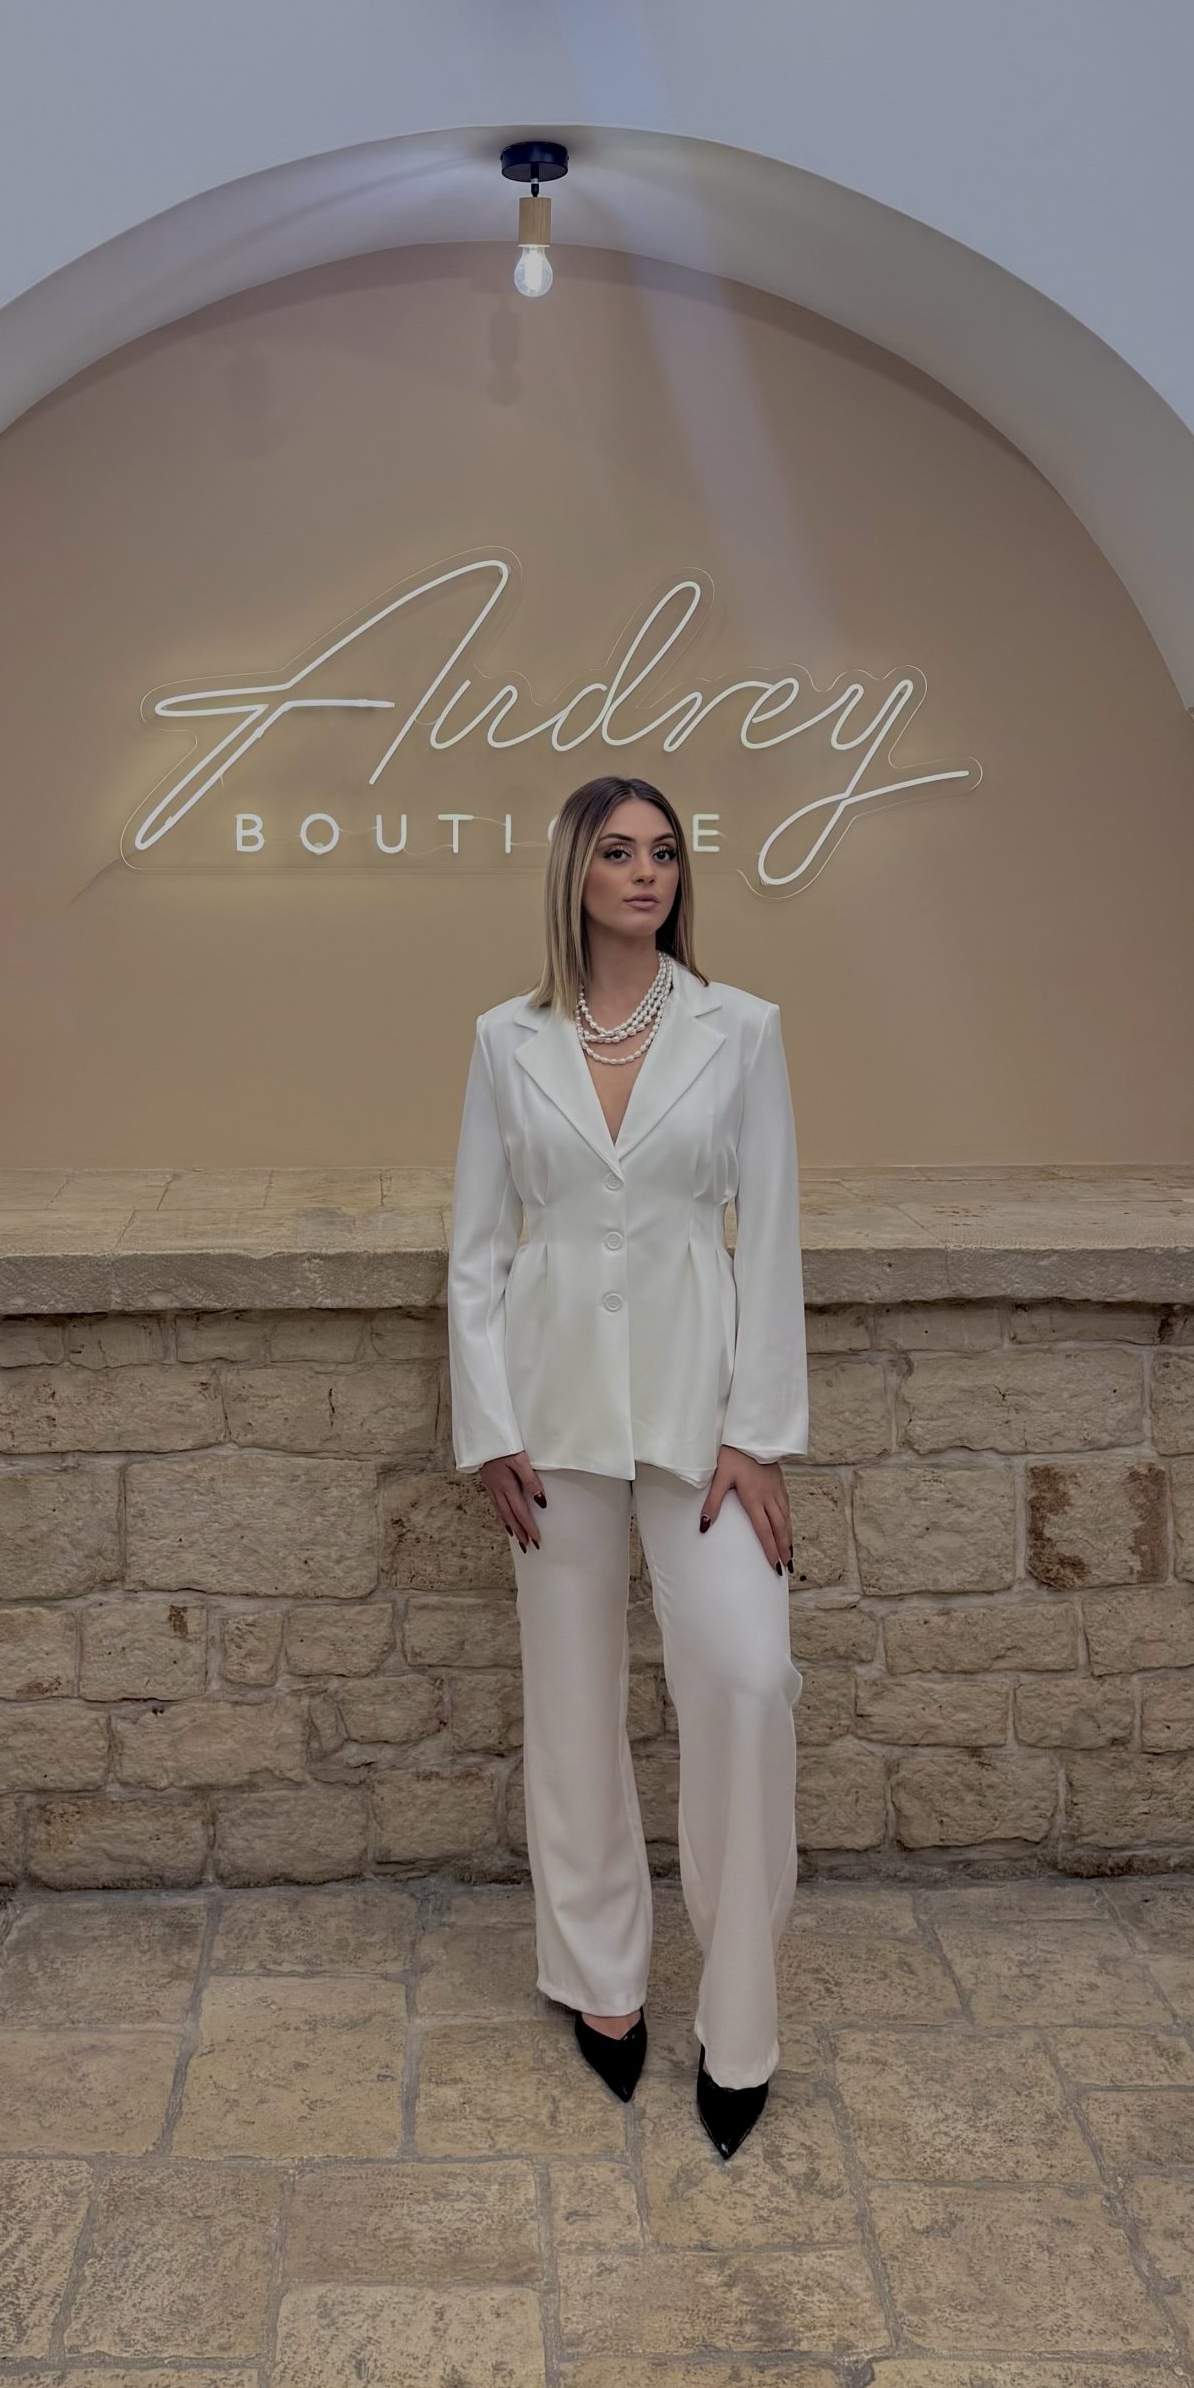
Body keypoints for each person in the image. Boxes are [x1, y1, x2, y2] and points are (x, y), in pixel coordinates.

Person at [447, 773, 809, 2160]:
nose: (646, 871)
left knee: (748, 1675)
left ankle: (740, 2015)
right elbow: (477, 1250)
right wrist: (489, 1426)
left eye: (663, 852)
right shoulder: (505, 1040)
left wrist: (757, 1435)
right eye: (618, 851)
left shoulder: (741, 1029)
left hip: (699, 1413)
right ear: (575, 874)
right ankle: (600, 1977)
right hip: (550, 1417)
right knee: (571, 1699)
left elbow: (769, 1240)